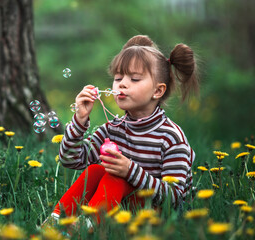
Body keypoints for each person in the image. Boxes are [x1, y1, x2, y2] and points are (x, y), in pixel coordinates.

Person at [44, 35, 198, 226]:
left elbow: (174, 197)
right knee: (94, 170)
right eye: (118, 78)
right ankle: (54, 224)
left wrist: (129, 171)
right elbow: (71, 160)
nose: (122, 84)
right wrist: (79, 120)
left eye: (134, 79)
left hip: (162, 217)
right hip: (122, 208)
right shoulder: (112, 129)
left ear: (157, 91)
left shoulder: (171, 137)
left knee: (116, 178)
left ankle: (83, 229)